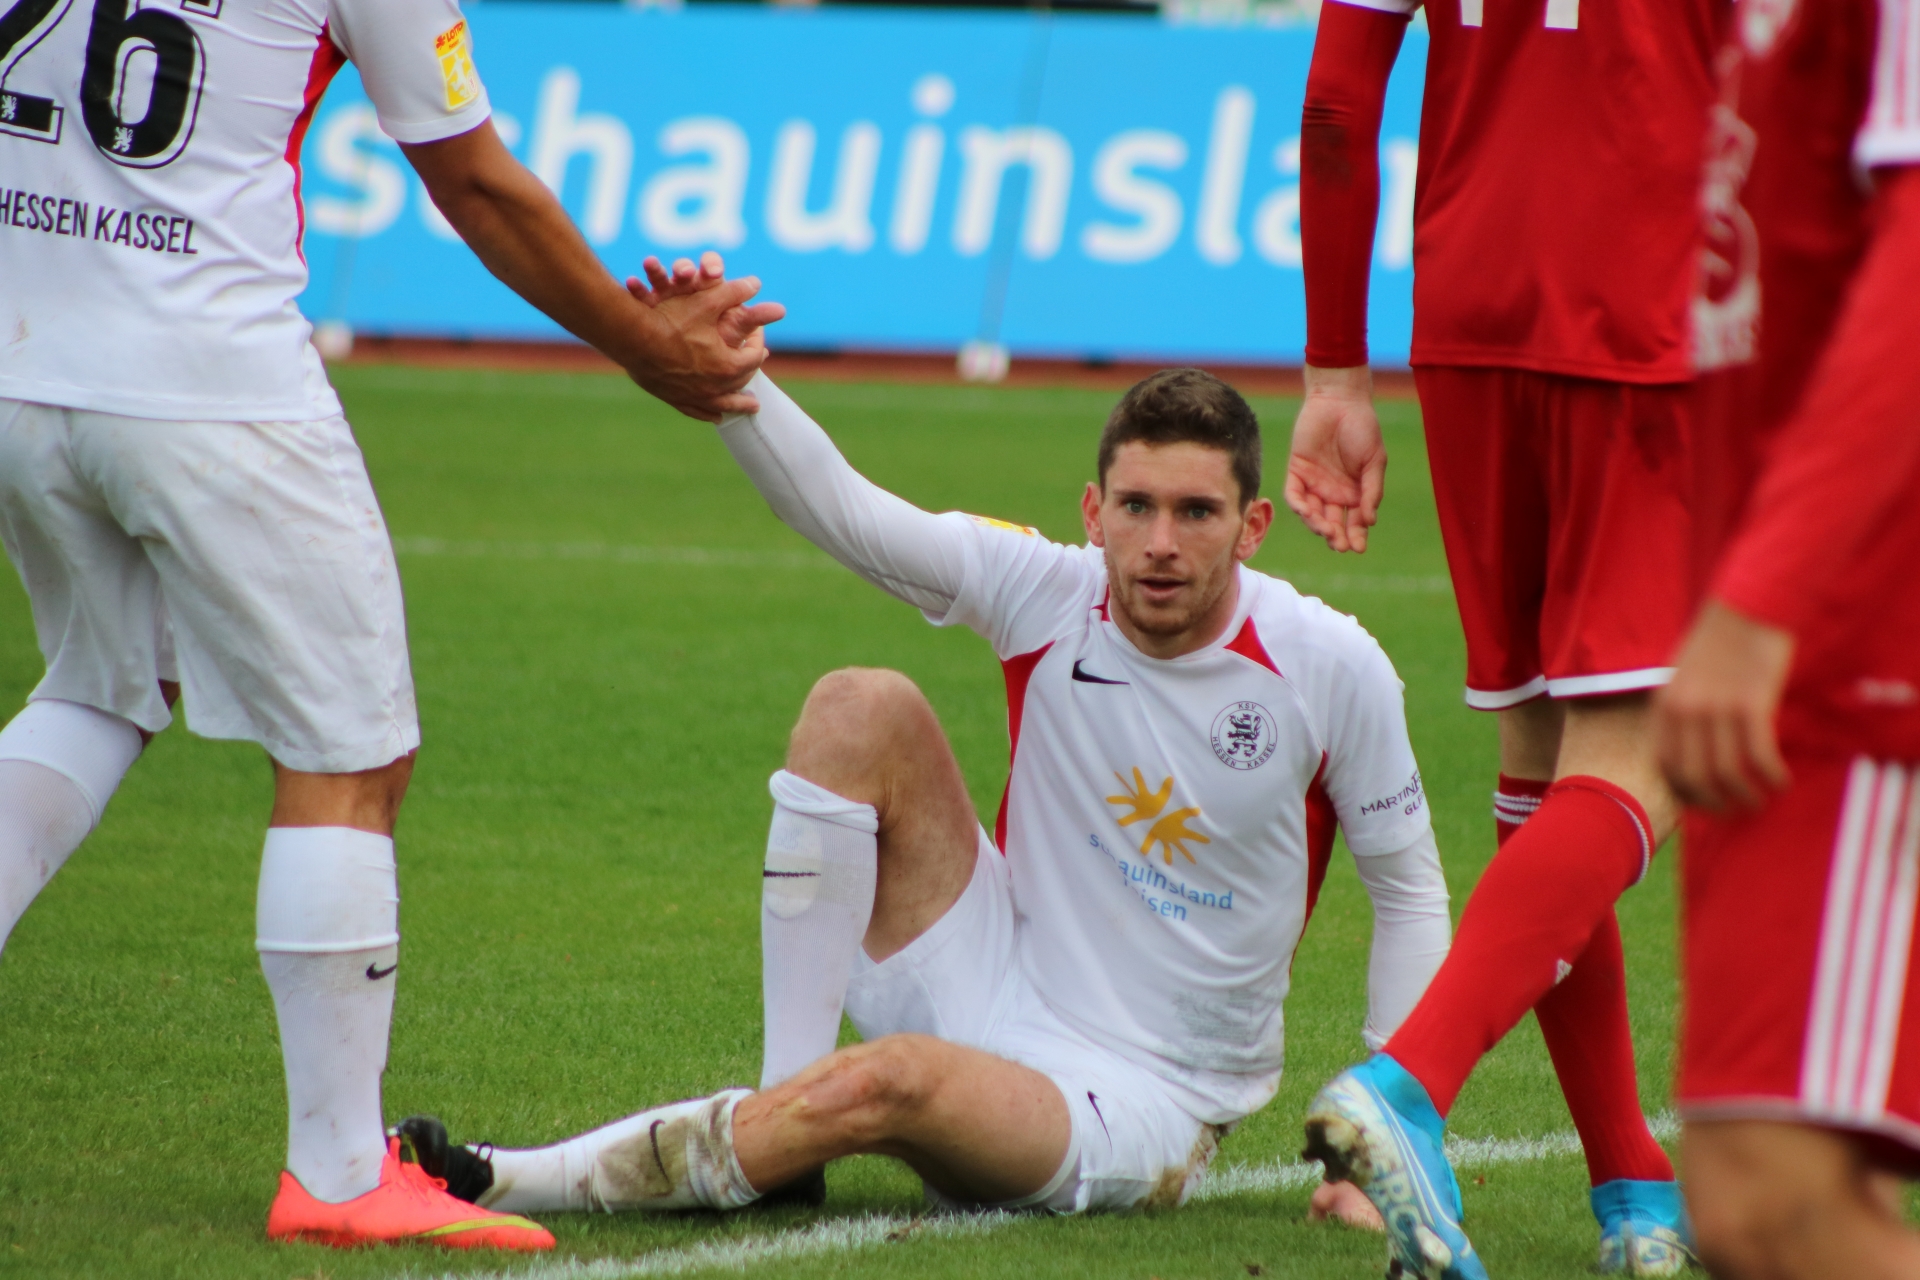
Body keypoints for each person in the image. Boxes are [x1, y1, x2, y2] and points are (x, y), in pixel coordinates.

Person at [0, 0, 779, 1253]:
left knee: (96, 689)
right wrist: (647, 346)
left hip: (23, 370)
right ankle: (340, 1172)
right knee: (350, 754)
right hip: (210, 385)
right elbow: (476, 181)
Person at [395, 361, 1453, 1222]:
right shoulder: (1052, 593)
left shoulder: (1329, 665)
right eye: (1136, 506)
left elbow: (1409, 894)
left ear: (1253, 525)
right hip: (995, 965)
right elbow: (846, 512)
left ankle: (510, 1177)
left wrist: (1388, 1147)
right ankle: (786, 1126)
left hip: (1142, 1093)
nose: (1161, 543)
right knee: (861, 705)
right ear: (1094, 511)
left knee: (892, 1080)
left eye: (1197, 512)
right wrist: (729, 380)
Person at [1280, 0, 1720, 1274]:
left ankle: (1632, 1187)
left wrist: (1334, 372)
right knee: (1653, 757)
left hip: (1471, 323)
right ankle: (1408, 1080)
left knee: (1546, 765)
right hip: (1652, 324)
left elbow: (1337, 101)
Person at [1655, 0, 1920, 1274]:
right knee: (1756, 1190)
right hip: (1791, 648)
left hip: (1859, 643)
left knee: (1769, 1191)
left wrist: (1762, 600)